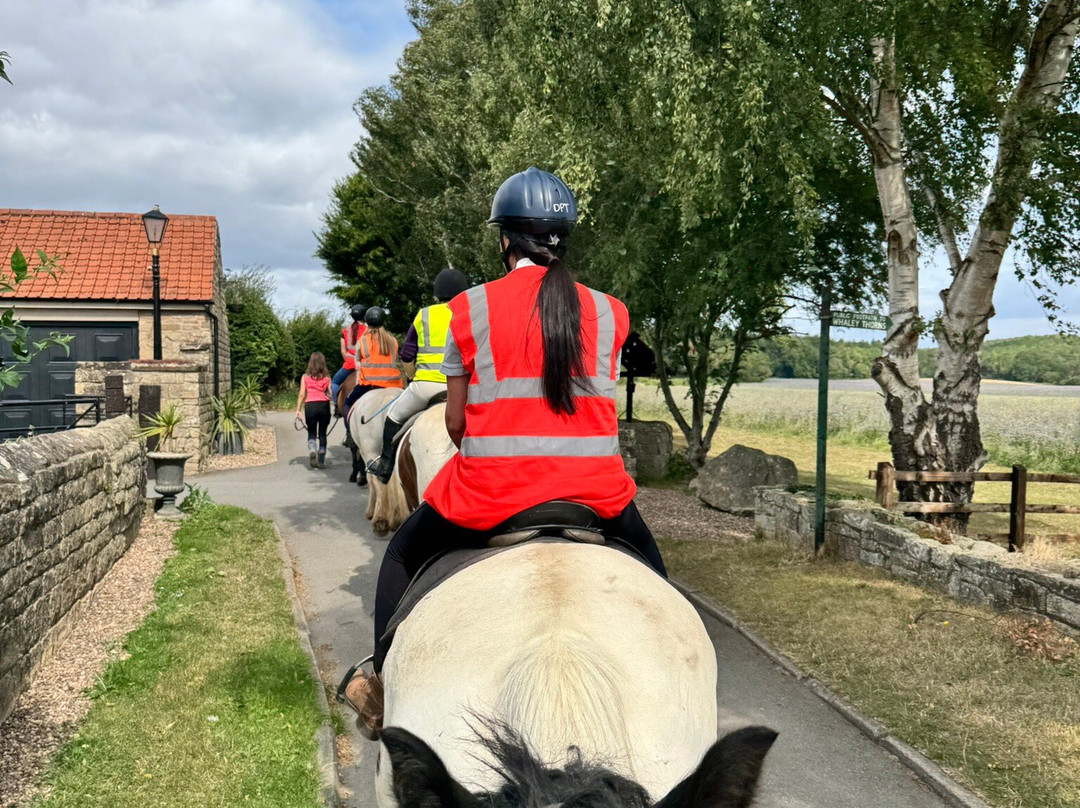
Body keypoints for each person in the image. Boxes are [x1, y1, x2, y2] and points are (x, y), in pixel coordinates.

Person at [343, 166, 667, 733]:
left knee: (397, 556)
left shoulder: (468, 309)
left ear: (504, 239)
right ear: (562, 240)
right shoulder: (611, 312)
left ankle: (381, 689)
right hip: (599, 498)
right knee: (661, 588)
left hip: (491, 496)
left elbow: (454, 421)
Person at [366, 267, 470, 484]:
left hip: (426, 386)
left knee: (393, 417)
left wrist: (411, 376)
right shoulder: (471, 311)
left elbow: (406, 356)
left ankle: (385, 466)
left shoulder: (424, 315)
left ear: (437, 292)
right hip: (465, 388)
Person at [342, 306, 403, 421]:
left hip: (368, 383)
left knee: (347, 403)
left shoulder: (363, 340)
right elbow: (394, 359)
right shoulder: (393, 340)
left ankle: (349, 436)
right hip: (393, 383)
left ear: (367, 322)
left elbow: (358, 360)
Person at [295, 352, 332, 468]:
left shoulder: (305, 377)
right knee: (322, 434)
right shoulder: (327, 377)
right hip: (324, 405)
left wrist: (298, 410)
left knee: (311, 432)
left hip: (310, 405)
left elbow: (301, 394)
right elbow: (331, 393)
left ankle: (312, 449)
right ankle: (321, 461)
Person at [331, 304, 366, 416]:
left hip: (349, 365)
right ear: (364, 316)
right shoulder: (368, 330)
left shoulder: (345, 331)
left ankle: (337, 406)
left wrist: (348, 361)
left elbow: (343, 352)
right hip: (363, 365)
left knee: (335, 382)